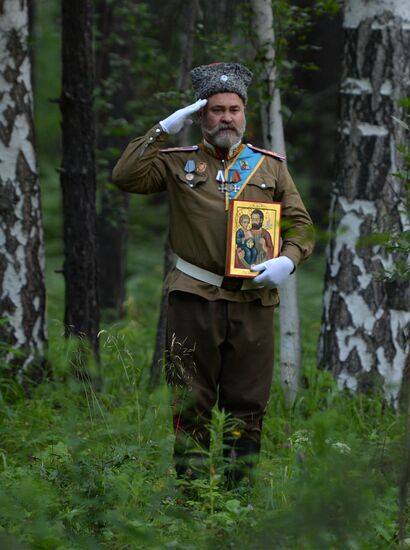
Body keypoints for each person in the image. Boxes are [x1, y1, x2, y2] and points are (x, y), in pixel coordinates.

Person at [112, 62, 314, 485]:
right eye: (217, 109)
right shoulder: (175, 163)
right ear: (201, 116)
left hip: (253, 300)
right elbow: (125, 176)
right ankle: (191, 497)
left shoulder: (269, 167)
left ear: (245, 114)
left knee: (248, 403)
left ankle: (235, 498)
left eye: (234, 109)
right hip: (194, 298)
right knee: (191, 402)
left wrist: (289, 260)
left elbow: (301, 225)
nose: (226, 117)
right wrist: (161, 130)